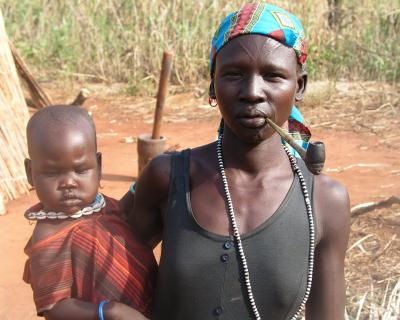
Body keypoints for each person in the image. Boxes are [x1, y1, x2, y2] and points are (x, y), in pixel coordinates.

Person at [127, 3, 350, 319]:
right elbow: (105, 268)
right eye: (233, 74)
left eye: (273, 76)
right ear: (212, 84)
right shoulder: (168, 178)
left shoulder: (325, 201)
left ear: (299, 86)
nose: (252, 92)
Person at [23, 105, 157, 320]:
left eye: (80, 170)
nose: (68, 182)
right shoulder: (48, 241)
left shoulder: (98, 204)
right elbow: (54, 307)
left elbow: (120, 212)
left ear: (99, 165)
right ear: (30, 173)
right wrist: (109, 312)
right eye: (51, 172)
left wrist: (141, 185)